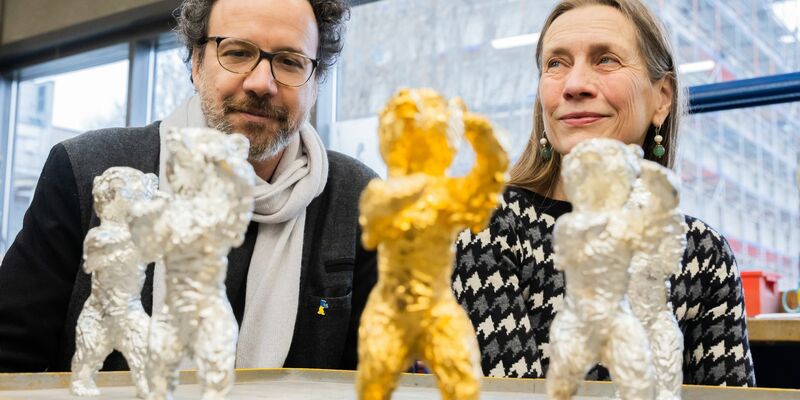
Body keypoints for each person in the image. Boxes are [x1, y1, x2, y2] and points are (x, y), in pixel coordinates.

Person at [0, 0, 377, 373]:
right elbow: (10, 359)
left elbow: (379, 375)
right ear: (196, 64)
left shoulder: (359, 199)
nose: (262, 83)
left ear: (315, 82)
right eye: (238, 52)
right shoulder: (88, 172)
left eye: (290, 61)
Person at [452, 0, 756, 387]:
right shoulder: (488, 223)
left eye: (606, 60)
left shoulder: (705, 253)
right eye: (556, 64)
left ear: (662, 97)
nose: (574, 85)